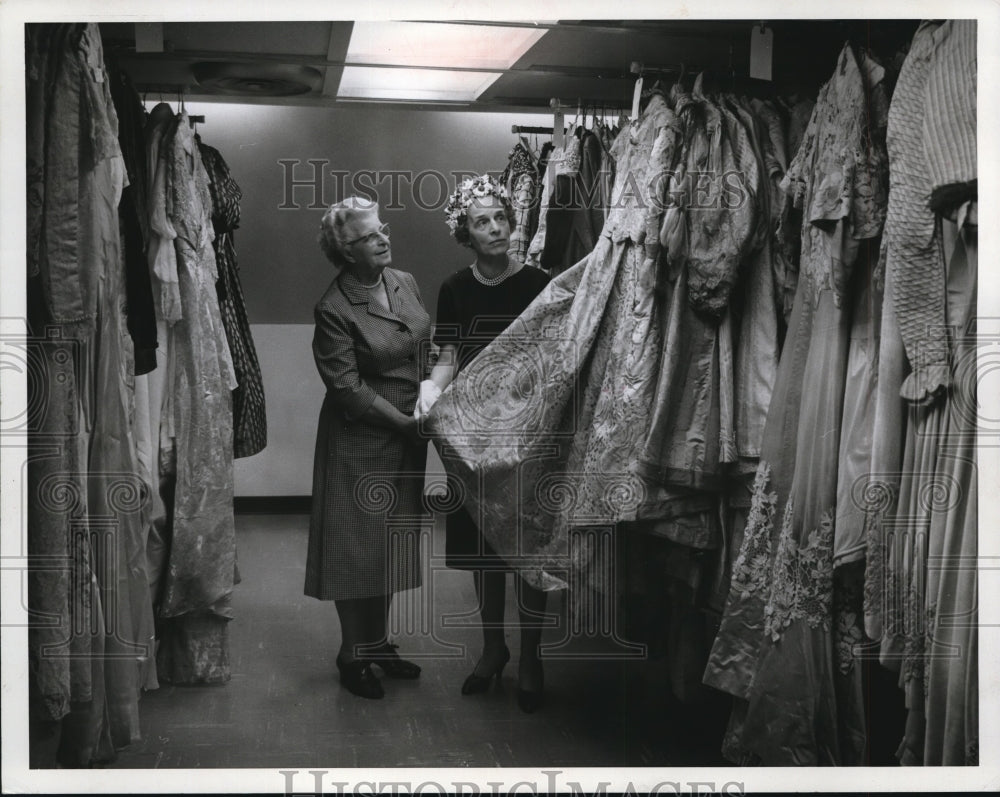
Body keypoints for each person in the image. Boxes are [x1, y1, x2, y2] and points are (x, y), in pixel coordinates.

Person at [416, 175, 551, 712]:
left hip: (528, 430)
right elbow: (448, 354)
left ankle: (534, 657)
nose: (495, 228)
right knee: (484, 548)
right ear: (465, 234)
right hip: (473, 434)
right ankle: (493, 648)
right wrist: (430, 392)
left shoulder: (541, 282)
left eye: (500, 217)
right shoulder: (455, 287)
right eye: (481, 222)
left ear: (513, 221)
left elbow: (554, 357)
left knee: (529, 545)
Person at [305, 196, 429, 699]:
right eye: (369, 236)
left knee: (392, 545)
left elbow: (425, 342)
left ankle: (378, 643)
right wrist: (404, 422)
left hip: (408, 432)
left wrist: (431, 394)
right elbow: (346, 387)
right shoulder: (334, 307)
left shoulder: (404, 281)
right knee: (357, 550)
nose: (383, 239)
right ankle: (351, 653)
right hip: (363, 436)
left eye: (382, 229)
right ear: (345, 250)